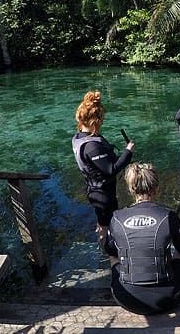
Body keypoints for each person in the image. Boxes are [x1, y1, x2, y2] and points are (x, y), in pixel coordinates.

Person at [105, 162, 180, 315]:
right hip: (168, 298)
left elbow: (110, 250)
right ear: (157, 188)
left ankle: (128, 281)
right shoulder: (169, 216)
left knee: (113, 256)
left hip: (127, 299)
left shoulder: (116, 218)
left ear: (130, 189)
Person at [72, 90, 134, 246]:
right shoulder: (91, 146)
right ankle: (109, 251)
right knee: (108, 223)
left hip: (94, 190)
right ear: (95, 121)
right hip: (102, 194)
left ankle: (103, 242)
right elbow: (111, 169)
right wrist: (128, 152)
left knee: (101, 220)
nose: (102, 122)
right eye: (101, 119)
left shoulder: (79, 137)